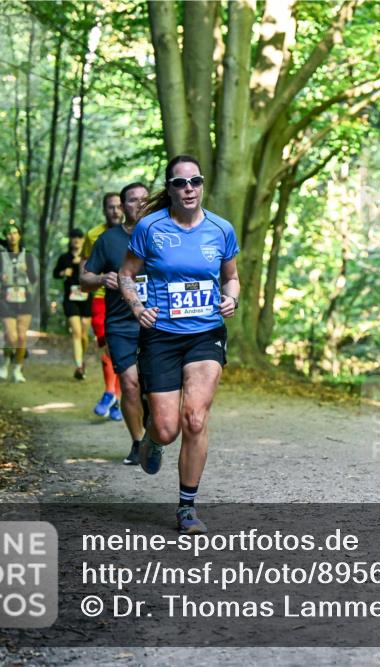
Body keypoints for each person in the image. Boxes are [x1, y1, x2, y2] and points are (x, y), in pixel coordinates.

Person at [118, 155, 240, 534]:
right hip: (162, 337)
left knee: (196, 418)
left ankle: (187, 508)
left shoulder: (221, 229)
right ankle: (151, 440)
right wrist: (137, 307)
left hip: (205, 333)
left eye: (195, 182)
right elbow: (126, 274)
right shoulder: (149, 228)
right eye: (180, 183)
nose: (188, 188)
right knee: (168, 428)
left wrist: (231, 298)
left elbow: (232, 278)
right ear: (169, 188)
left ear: (202, 186)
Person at [81, 182, 150, 464]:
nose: (141, 204)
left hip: (157, 324)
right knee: (130, 383)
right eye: (133, 200)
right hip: (121, 324)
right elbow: (83, 279)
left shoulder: (165, 236)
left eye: (146, 199)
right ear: (123, 207)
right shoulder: (108, 240)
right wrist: (100, 278)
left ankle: (154, 432)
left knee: (153, 388)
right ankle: (138, 443)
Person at [83, 193, 125, 420]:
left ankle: (114, 396)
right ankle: (112, 393)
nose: (115, 212)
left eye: (119, 207)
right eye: (110, 207)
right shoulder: (93, 235)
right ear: (103, 210)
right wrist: (97, 279)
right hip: (101, 297)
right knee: (109, 345)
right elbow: (86, 269)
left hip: (126, 299)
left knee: (117, 348)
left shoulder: (137, 232)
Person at [0, 223, 37, 383]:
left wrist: (27, 270)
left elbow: (33, 279)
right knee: (11, 337)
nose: (12, 236)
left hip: (24, 298)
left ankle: (18, 369)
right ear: (6, 237)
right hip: (6, 298)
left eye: (15, 233)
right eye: (9, 234)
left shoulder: (27, 255)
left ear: (20, 235)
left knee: (22, 337)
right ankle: (5, 361)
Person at [53, 229, 92, 380]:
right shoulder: (64, 258)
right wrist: (64, 272)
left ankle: (82, 360)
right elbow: (55, 273)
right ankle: (78, 365)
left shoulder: (88, 256)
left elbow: (98, 272)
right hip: (70, 298)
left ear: (83, 240)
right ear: (70, 240)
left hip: (86, 297)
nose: (76, 240)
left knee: (83, 334)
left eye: (79, 237)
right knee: (76, 332)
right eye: (73, 237)